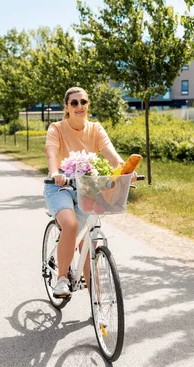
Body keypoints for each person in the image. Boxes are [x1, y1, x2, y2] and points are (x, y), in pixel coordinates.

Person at [44, 86, 137, 297]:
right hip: (60, 185)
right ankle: (61, 278)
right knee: (71, 224)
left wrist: (124, 170)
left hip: (87, 186)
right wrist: (54, 172)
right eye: (74, 103)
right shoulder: (56, 128)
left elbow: (111, 155)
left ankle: (97, 301)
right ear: (67, 107)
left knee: (89, 240)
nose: (79, 106)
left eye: (83, 102)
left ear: (88, 105)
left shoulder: (95, 129)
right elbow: (51, 153)